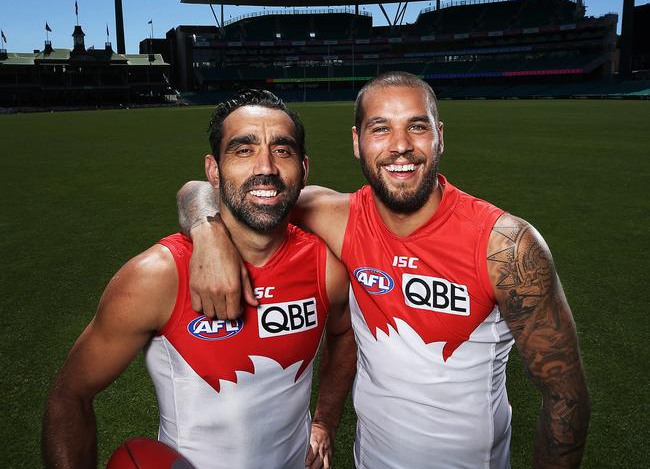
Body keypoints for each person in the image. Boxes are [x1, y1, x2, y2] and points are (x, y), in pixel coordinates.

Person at [178, 72, 591, 468]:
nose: (400, 146)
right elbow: (203, 189)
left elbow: (565, 398)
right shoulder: (336, 216)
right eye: (380, 129)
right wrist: (207, 232)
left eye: (417, 127)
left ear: (439, 136)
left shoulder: (505, 245)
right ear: (357, 143)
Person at [42, 89, 356, 469]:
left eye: (282, 150)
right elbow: (70, 396)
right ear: (213, 170)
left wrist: (324, 420)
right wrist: (205, 231)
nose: (266, 167)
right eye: (243, 150)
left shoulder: (325, 266)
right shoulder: (158, 276)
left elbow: (344, 332)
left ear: (303, 170)